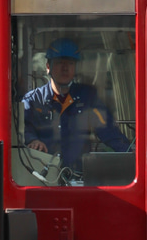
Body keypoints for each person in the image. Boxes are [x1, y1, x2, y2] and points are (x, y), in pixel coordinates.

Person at [22, 37, 130, 170]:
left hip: (79, 176)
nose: (65, 68)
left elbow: (108, 130)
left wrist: (130, 153)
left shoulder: (88, 98)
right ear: (48, 67)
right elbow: (22, 128)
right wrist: (32, 140)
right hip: (43, 175)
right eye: (59, 62)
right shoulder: (33, 100)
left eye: (70, 63)